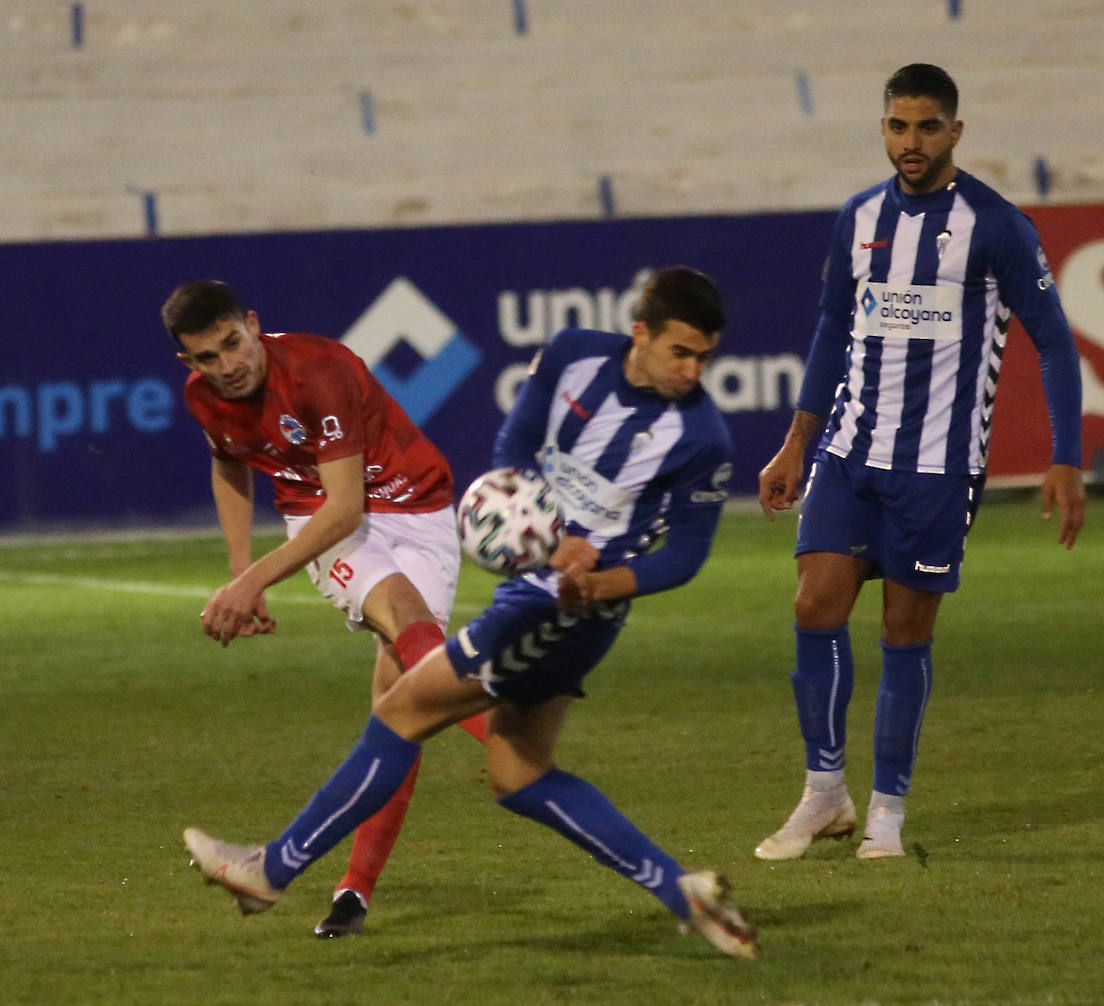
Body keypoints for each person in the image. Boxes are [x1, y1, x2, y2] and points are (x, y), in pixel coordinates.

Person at [182, 266, 759, 959]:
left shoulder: (703, 439)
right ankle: (681, 891)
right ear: (640, 332)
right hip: (542, 594)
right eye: (681, 352)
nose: (693, 371)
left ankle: (268, 872)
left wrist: (598, 584)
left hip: (560, 610)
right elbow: (514, 447)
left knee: (401, 709)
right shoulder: (576, 353)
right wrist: (534, 518)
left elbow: (687, 556)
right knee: (518, 774)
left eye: (704, 357)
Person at [755, 63, 1086, 862]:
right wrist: (797, 440)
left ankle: (887, 816)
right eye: (898, 126)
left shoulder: (997, 225)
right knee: (814, 605)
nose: (911, 142)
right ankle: (824, 793)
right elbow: (833, 328)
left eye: (927, 127)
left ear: (955, 132)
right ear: (883, 128)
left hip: (937, 467)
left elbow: (1055, 340)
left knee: (904, 630)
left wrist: (1065, 456)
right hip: (849, 450)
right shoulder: (859, 217)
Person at [164, 279, 488, 937]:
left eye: (233, 344)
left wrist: (250, 583)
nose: (227, 367)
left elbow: (351, 502)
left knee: (403, 707)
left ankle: (345, 889)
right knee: (407, 623)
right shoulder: (206, 400)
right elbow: (232, 465)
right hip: (320, 519)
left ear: (253, 324)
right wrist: (240, 571)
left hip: (418, 509)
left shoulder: (318, 369)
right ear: (187, 363)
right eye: (207, 358)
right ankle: (508, 716)